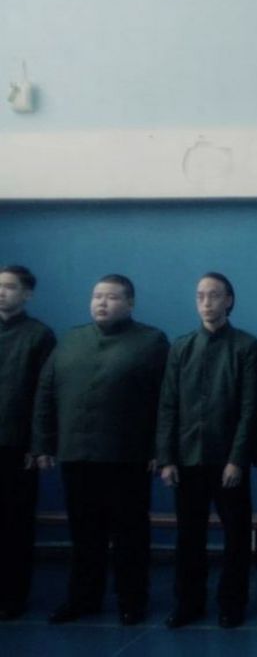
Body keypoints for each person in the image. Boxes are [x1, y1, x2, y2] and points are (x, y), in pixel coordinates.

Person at [32, 274, 169, 626]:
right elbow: (46, 393)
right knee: (84, 534)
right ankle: (83, 599)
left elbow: (165, 401)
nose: (102, 303)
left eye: (110, 297)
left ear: (130, 303)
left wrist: (160, 449)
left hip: (128, 457)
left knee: (130, 535)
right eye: (96, 296)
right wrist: (43, 443)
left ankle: (132, 600)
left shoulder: (151, 341)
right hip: (77, 454)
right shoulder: (71, 340)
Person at [155, 273, 257, 629]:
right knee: (189, 538)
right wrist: (166, 458)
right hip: (187, 460)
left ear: (228, 300)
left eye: (214, 295)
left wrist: (237, 459)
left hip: (227, 461)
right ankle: (188, 603)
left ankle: (232, 603)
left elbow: (249, 408)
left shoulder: (246, 346)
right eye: (200, 295)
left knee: (236, 537)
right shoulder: (181, 347)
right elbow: (167, 405)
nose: (206, 302)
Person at [0, 265, 55, 620]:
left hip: (16, 447)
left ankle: (11, 597)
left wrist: (38, 446)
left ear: (27, 294)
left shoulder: (39, 336)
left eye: (9, 287)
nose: (2, 292)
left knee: (14, 525)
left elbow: (44, 396)